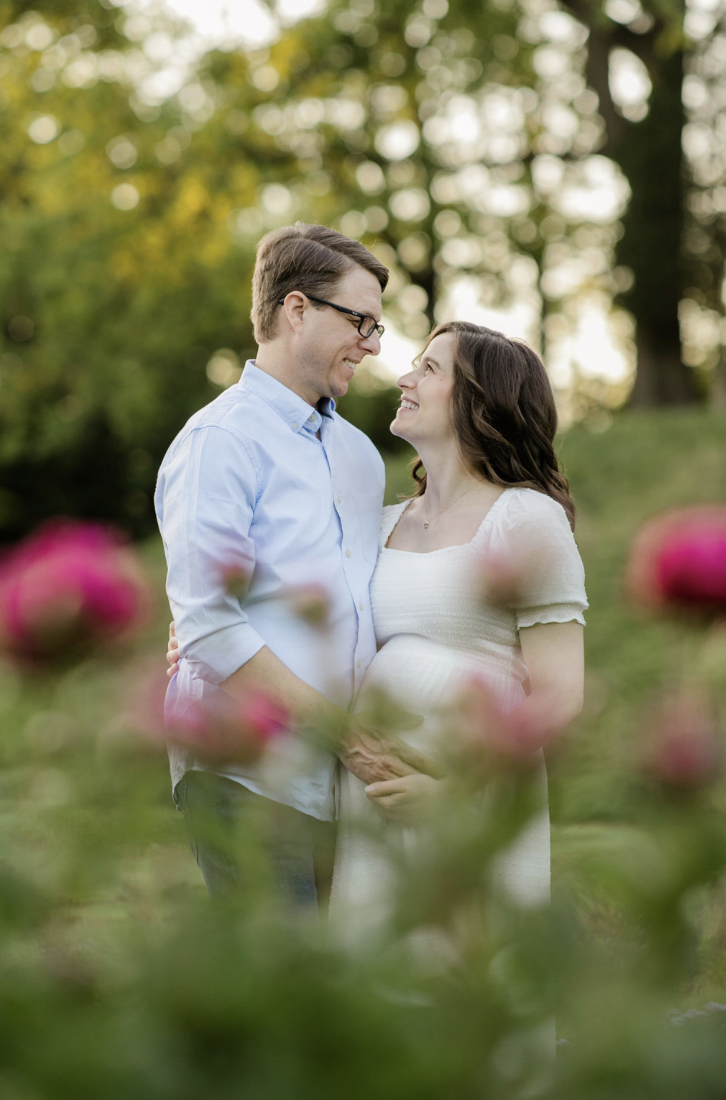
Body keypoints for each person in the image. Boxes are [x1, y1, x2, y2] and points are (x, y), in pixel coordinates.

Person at [155, 222, 436, 911]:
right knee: (284, 994)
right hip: (247, 775)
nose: (374, 345)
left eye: (378, 326)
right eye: (361, 321)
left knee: (336, 998)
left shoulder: (361, 458)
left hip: (343, 788)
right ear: (297, 309)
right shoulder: (220, 441)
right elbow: (210, 625)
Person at [327, 321, 586, 931]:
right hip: (374, 799)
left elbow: (560, 694)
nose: (404, 377)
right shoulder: (380, 520)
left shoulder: (525, 518)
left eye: (430, 368)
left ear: (480, 400)